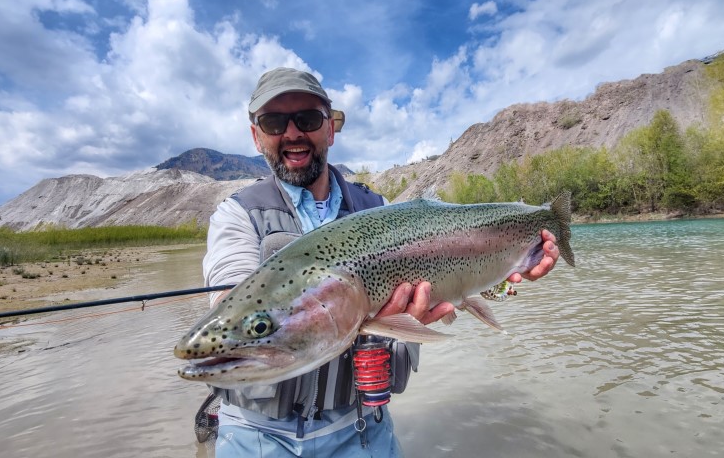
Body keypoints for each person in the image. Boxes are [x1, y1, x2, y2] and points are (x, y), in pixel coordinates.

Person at [201, 67, 560, 457]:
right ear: (256, 136)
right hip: (256, 437)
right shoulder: (237, 216)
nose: (292, 133)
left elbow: (456, 276)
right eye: (274, 121)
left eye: (307, 119)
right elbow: (229, 301)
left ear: (330, 129)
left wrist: (512, 271)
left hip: (361, 429)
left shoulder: (383, 211)